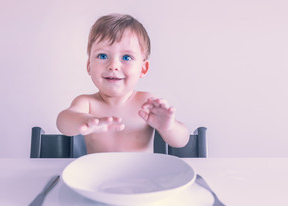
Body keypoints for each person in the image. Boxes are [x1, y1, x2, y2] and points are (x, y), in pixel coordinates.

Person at [57, 13, 189, 153]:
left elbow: (182, 141)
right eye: (102, 56)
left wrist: (169, 127)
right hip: (99, 175)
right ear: (89, 66)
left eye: (126, 57)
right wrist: (83, 120)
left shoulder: (147, 102)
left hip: (142, 174)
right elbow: (62, 122)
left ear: (143, 69)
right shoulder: (87, 103)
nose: (113, 65)